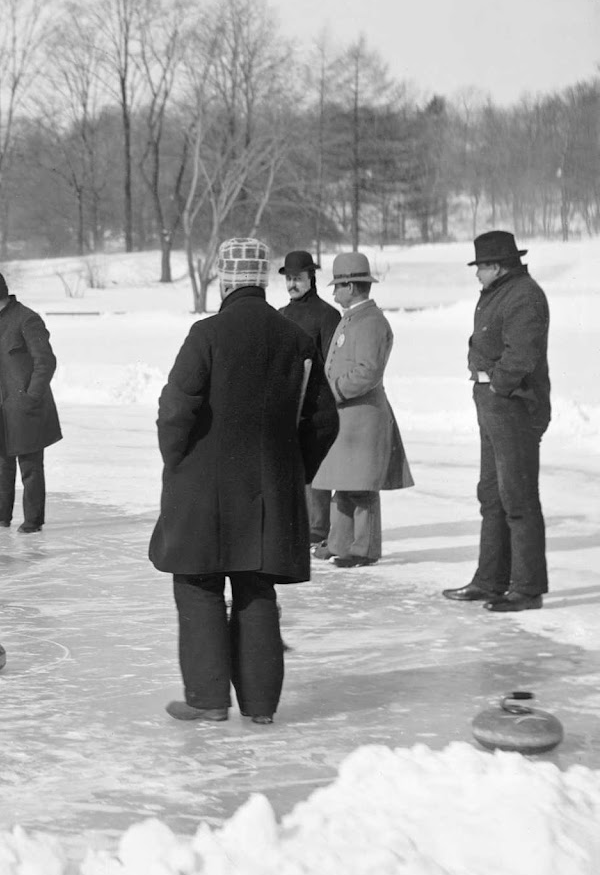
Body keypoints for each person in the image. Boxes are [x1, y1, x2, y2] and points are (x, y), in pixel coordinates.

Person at [148, 238, 339, 725]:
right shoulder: (296, 338)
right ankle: (260, 708)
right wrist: (295, 470)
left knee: (199, 585)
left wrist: (178, 463)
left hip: (204, 491)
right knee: (256, 590)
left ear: (227, 281)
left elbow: (175, 411)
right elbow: (323, 422)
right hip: (268, 492)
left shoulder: (206, 334)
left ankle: (208, 700)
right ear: (260, 280)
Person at [442, 230, 551, 613]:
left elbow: (522, 355)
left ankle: (527, 588)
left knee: (517, 497)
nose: (476, 274)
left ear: (497, 266)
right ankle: (490, 580)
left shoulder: (523, 295)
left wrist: (496, 383)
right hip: (493, 404)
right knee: (491, 495)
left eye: (481, 267)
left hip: (514, 406)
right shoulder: (499, 292)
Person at [310, 252, 413, 567]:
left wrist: (335, 392)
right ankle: (340, 542)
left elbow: (368, 371)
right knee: (343, 479)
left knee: (361, 486)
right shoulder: (355, 316)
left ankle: (363, 548)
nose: (333, 293)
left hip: (362, 417)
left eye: (337, 287)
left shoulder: (370, 321)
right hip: (348, 419)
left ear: (351, 286)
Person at [0, 269, 61, 533]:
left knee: (30, 465)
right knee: (2, 458)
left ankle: (33, 520)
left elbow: (46, 362)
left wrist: (31, 396)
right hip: (4, 404)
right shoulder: (0, 320)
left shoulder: (27, 319)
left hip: (26, 406)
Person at [278, 249, 341, 550]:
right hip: (288, 402)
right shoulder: (280, 315)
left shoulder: (327, 315)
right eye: (289, 278)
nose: (292, 284)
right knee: (292, 467)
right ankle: (297, 524)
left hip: (318, 403)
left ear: (311, 278)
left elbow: (332, 360)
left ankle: (318, 528)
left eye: (298, 278)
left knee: (316, 466)